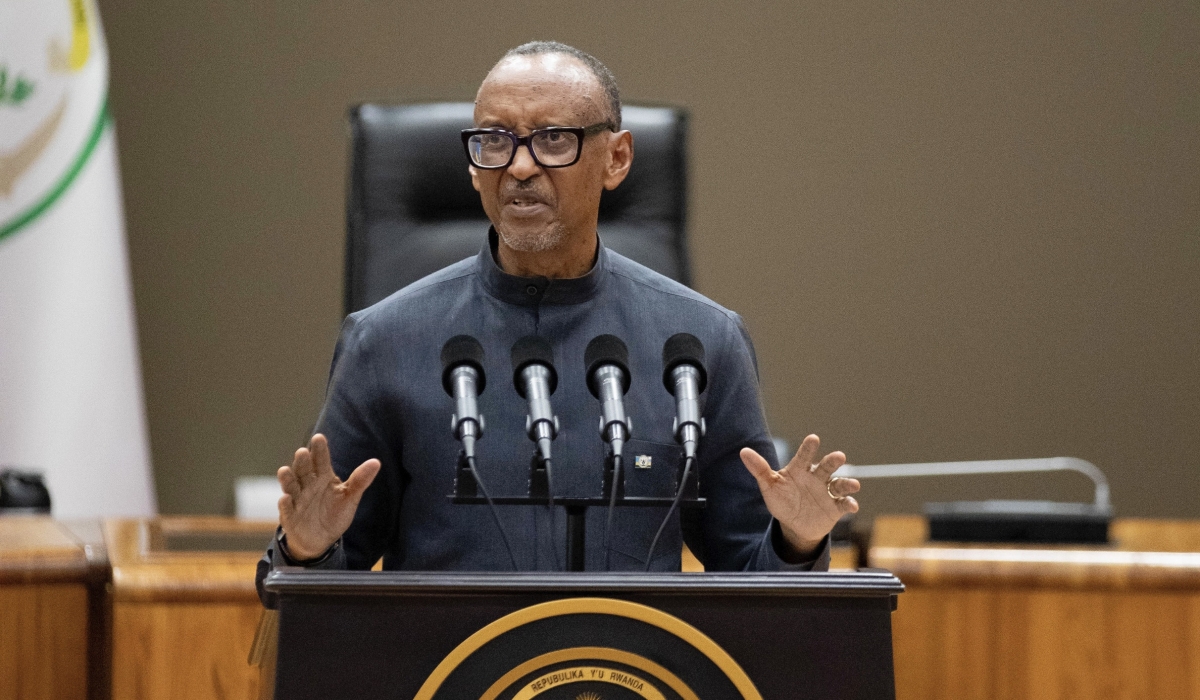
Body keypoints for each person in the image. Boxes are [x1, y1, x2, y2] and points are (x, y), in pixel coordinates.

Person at [256, 41, 859, 606]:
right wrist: (305, 551)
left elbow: (751, 583)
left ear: (616, 158)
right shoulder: (385, 341)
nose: (518, 167)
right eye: (494, 140)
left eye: (551, 139)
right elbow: (315, 597)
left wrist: (799, 540)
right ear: (472, 165)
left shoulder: (701, 345)